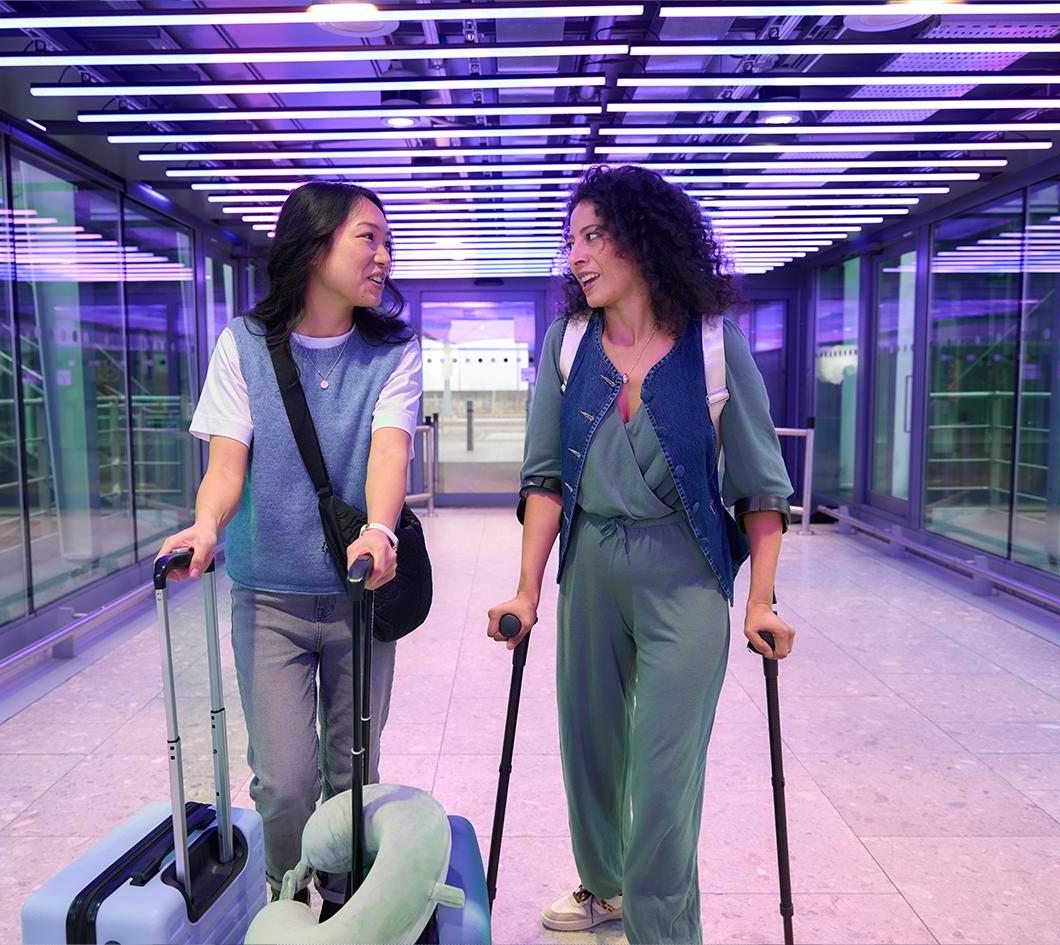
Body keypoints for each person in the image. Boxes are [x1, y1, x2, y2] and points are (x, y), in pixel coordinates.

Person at [488, 164, 796, 945]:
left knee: (665, 779)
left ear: (645, 238)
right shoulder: (567, 344)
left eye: (593, 236)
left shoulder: (715, 345)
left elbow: (761, 489)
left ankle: (663, 929)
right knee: (588, 749)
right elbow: (546, 479)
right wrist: (525, 590)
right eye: (571, 241)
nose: (577, 255)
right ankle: (604, 887)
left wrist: (760, 600)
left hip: (685, 573)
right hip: (589, 568)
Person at [157, 181, 421, 913]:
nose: (384, 254)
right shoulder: (242, 345)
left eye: (386, 239)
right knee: (283, 781)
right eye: (367, 236)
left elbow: (388, 453)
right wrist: (206, 528)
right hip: (268, 594)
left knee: (351, 771)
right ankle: (288, 901)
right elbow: (225, 463)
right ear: (314, 246)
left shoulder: (393, 349)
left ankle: (343, 904)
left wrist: (380, 527)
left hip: (357, 593)